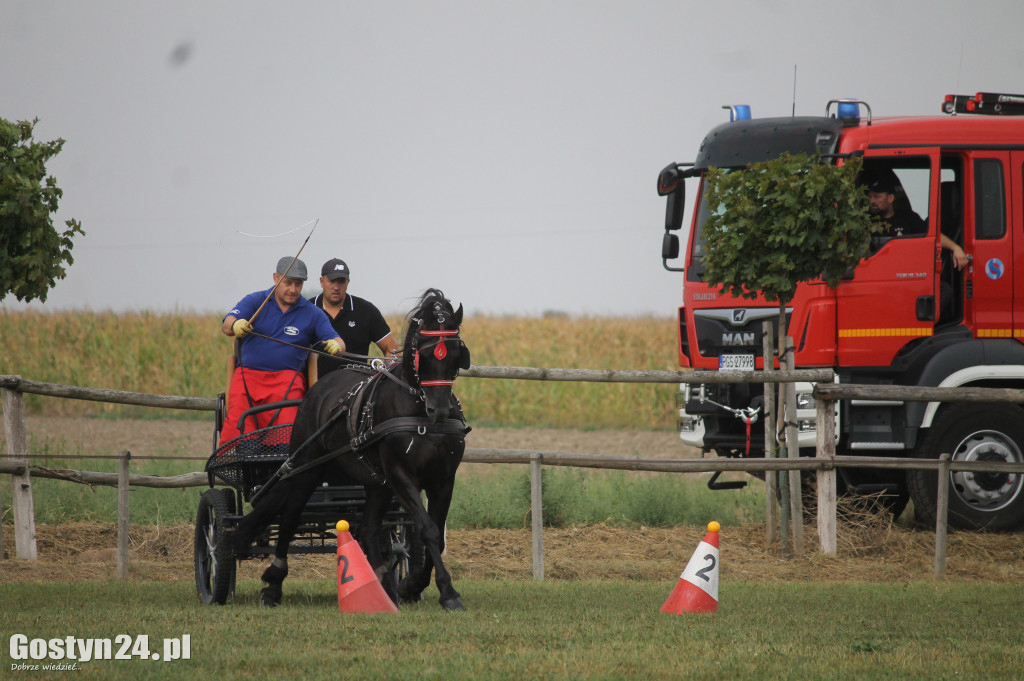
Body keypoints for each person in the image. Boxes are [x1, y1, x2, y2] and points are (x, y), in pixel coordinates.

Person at [220, 256, 345, 442]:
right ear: (276, 278)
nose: (293, 290)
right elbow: (227, 324)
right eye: (288, 283)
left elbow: (338, 341)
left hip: (288, 382)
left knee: (286, 435)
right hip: (247, 378)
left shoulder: (312, 313)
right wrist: (237, 324)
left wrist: (336, 346)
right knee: (237, 432)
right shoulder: (255, 301)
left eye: (298, 284)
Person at [311, 258, 399, 378]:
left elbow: (391, 349)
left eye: (341, 281)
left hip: (355, 390)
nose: (336, 287)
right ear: (322, 281)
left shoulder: (366, 310)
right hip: (316, 390)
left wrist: (385, 380)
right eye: (331, 281)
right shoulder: (307, 309)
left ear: (348, 282)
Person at [867, 174, 968, 268]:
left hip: (904, 271)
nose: (872, 201)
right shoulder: (866, 221)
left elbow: (933, 235)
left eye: (877, 197)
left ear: (890, 198)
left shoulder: (908, 218)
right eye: (870, 197)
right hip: (875, 269)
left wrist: (955, 248)